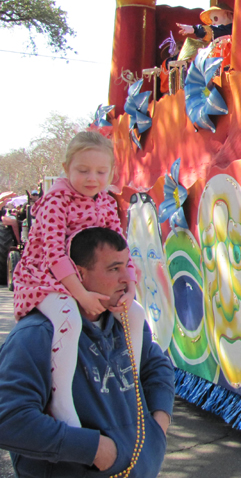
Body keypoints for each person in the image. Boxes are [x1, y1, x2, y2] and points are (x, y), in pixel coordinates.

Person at [0, 227, 174, 478]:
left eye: (127, 265)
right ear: (78, 274)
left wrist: (158, 425)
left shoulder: (124, 322)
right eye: (114, 269)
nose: (127, 278)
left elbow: (157, 367)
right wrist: (95, 450)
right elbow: (9, 418)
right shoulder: (37, 335)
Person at [12, 131, 145, 428]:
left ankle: (129, 383)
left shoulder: (107, 204)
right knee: (69, 317)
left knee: (134, 314)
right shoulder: (56, 201)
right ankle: (60, 399)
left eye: (100, 171)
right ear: (67, 168)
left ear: (111, 172)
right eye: (82, 170)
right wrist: (81, 296)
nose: (92, 178)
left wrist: (129, 287)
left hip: (86, 280)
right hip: (44, 277)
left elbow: (120, 248)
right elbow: (53, 254)